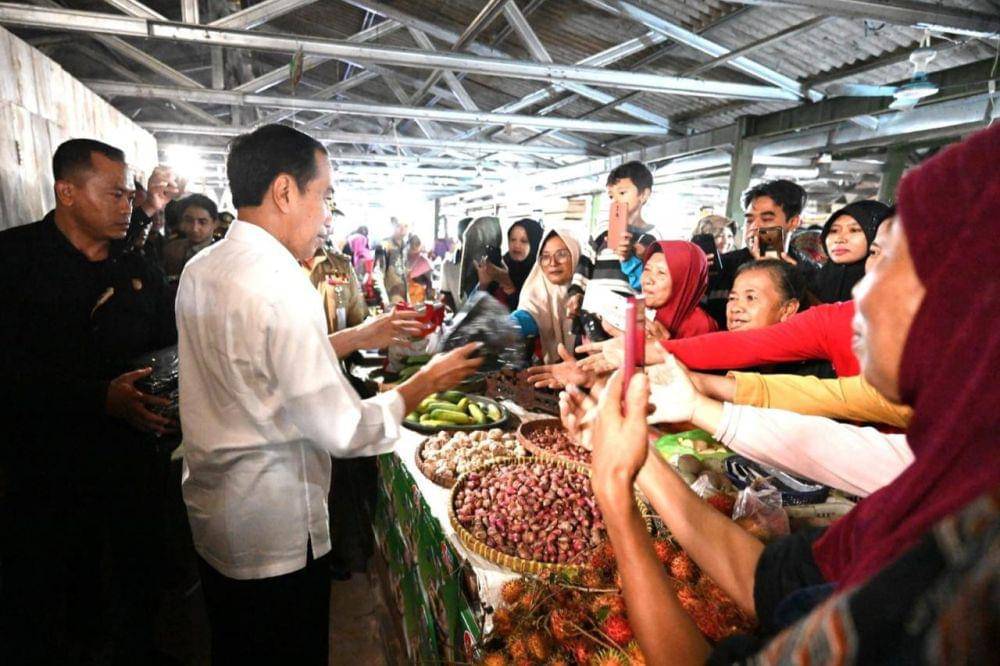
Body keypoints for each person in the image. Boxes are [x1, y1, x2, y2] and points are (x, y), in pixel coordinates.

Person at [560, 123, 1000, 663]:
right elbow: (775, 583)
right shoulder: (936, 483)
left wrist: (616, 498)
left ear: (970, 299)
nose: (861, 287)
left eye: (891, 260)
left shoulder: (964, 575)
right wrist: (638, 455)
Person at [174, 124, 482, 666]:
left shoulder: (202, 268)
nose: (327, 216)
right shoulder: (281, 282)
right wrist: (424, 384)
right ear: (285, 192)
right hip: (274, 525)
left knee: (234, 645)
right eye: (324, 197)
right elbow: (341, 428)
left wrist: (361, 335)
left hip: (217, 512)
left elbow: (254, 361)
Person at [0, 139, 178, 665]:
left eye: (130, 193)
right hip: (45, 466)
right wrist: (97, 396)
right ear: (67, 192)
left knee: (134, 575)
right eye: (115, 193)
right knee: (52, 591)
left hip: (133, 459)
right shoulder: (15, 260)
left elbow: (167, 342)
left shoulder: (136, 265)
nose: (128, 204)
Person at [703, 180, 809, 328]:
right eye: (749, 220)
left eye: (766, 219)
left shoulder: (807, 272)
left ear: (793, 222)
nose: (755, 226)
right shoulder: (723, 266)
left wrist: (782, 271)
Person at [510, 228, 581, 364]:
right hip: (548, 376)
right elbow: (528, 316)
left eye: (561, 254)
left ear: (575, 254)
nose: (553, 263)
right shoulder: (536, 292)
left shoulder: (590, 291)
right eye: (546, 256)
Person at [810, 200, 891, 303]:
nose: (839, 239)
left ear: (877, 233)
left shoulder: (888, 287)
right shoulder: (813, 281)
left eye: (854, 230)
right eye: (834, 231)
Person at [475, 217, 543, 311]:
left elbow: (531, 315)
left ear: (535, 243)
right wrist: (483, 285)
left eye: (524, 241)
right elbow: (480, 310)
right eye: (512, 240)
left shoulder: (541, 275)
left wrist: (509, 286)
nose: (516, 245)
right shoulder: (500, 265)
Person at [162, 193, 219, 278]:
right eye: (189, 220)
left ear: (215, 223)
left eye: (202, 222)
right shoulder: (171, 250)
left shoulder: (221, 253)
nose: (194, 228)